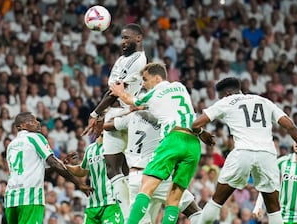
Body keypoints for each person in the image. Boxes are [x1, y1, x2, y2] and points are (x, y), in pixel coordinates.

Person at [190, 77, 297, 224]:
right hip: (267, 155)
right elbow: (291, 126)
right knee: (274, 209)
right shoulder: (264, 101)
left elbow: (195, 124)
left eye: (220, 96)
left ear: (227, 93)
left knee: (216, 201)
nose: (220, 99)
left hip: (243, 152)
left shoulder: (227, 101)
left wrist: (202, 133)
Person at [110, 63, 214, 224]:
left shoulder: (154, 93)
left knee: (146, 188)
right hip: (193, 144)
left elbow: (131, 101)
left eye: (145, 79)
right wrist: (202, 132)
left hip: (173, 140)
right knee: (174, 198)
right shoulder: (180, 87)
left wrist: (119, 92)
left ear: (157, 78)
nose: (143, 83)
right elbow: (182, 115)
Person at [82, 23, 147, 220]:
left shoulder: (138, 60)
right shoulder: (121, 59)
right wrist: (101, 114)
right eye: (121, 38)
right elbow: (110, 90)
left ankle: (132, 214)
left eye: (127, 38)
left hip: (126, 112)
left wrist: (95, 114)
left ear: (139, 38)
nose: (123, 42)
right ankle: (129, 215)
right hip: (113, 112)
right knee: (115, 166)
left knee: (120, 165)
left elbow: (116, 91)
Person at [104, 108, 203, 223]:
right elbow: (192, 127)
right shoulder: (167, 121)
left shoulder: (133, 116)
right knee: (195, 211)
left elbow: (107, 125)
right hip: (156, 175)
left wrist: (129, 110)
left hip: (135, 178)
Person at [4, 112, 92, 224]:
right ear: (21, 126)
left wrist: (60, 163)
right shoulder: (35, 137)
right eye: (32, 121)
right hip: (30, 197)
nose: (38, 123)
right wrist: (79, 184)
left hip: (11, 198)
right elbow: (53, 163)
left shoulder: (11, 145)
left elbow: (36, 170)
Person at [253, 129, 297, 224]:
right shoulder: (283, 162)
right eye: (295, 139)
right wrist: (258, 206)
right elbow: (267, 182)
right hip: (283, 218)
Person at [64, 134, 125, 224]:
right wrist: (66, 166)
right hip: (93, 205)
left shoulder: (114, 145)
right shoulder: (90, 149)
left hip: (111, 202)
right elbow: (82, 170)